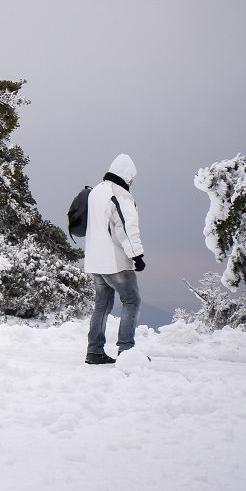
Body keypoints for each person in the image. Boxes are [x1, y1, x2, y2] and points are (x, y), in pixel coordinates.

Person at [83, 154, 145, 365]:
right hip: (114, 261)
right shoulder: (120, 195)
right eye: (131, 179)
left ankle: (94, 351)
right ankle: (126, 351)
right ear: (127, 176)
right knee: (132, 300)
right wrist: (137, 255)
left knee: (102, 305)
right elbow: (126, 228)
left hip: (94, 260)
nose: (131, 183)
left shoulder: (96, 191)